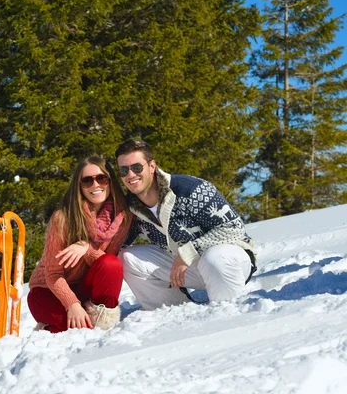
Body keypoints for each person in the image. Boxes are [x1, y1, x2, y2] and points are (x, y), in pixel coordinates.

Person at [115, 139, 257, 311]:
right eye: (123, 170)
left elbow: (233, 229)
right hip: (186, 270)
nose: (130, 175)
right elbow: (115, 245)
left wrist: (188, 252)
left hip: (228, 262)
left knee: (214, 258)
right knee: (127, 258)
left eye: (137, 167)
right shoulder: (130, 207)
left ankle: (227, 313)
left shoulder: (190, 189)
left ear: (152, 166)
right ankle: (169, 312)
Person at [27, 156, 132, 333]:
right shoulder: (63, 218)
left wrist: (86, 249)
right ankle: (50, 327)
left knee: (111, 265)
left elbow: (106, 265)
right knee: (79, 329)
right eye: (87, 180)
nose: (95, 185)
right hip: (49, 291)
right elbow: (52, 275)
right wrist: (72, 304)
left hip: (86, 287)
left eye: (101, 178)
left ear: (110, 181)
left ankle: (102, 323)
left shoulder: (122, 218)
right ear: (79, 186)